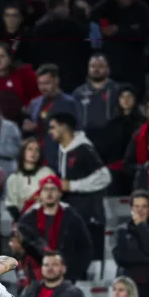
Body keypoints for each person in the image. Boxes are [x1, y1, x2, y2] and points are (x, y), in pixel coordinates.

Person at [47, 112, 112, 264]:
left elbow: (104, 176)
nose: (50, 131)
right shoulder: (64, 149)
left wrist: (72, 185)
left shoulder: (83, 148)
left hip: (90, 215)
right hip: (75, 214)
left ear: (64, 127)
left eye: (53, 127)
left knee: (90, 262)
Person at [16, 175, 93, 283]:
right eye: (45, 189)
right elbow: (19, 250)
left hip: (65, 278)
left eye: (53, 189)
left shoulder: (72, 217)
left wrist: (73, 273)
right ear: (40, 193)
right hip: (35, 278)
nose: (49, 193)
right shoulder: (28, 220)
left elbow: (85, 248)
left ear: (60, 193)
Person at [4, 139, 55, 225]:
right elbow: (11, 204)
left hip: (47, 219)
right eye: (30, 149)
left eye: (37, 150)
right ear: (23, 152)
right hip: (24, 222)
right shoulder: (13, 178)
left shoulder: (47, 173)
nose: (34, 153)